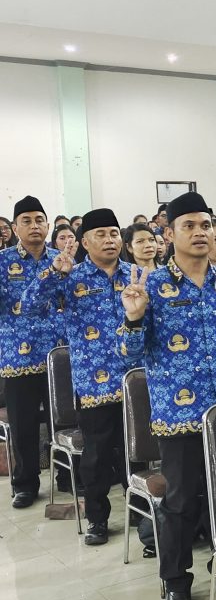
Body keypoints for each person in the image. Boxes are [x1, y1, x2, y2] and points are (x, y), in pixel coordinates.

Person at [118, 191, 216, 600]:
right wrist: (135, 318)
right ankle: (176, 582)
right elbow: (128, 354)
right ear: (169, 234)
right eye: (189, 226)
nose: (200, 234)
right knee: (180, 501)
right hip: (179, 416)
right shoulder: (150, 287)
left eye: (205, 226)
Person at [22, 209, 131, 544]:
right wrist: (53, 273)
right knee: (96, 457)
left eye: (114, 233)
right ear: (84, 241)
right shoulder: (71, 277)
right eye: (101, 234)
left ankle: (146, 520)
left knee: (136, 454)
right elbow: (29, 305)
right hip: (95, 384)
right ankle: (98, 519)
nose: (110, 240)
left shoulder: (137, 275)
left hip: (137, 383)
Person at [0, 196, 63, 509]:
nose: (34, 226)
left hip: (59, 357)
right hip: (18, 358)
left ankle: (66, 477)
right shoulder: (2, 262)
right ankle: (25, 484)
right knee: (23, 426)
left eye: (39, 219)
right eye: (26, 220)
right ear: (15, 227)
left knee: (62, 421)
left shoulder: (61, 260)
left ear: (48, 225)